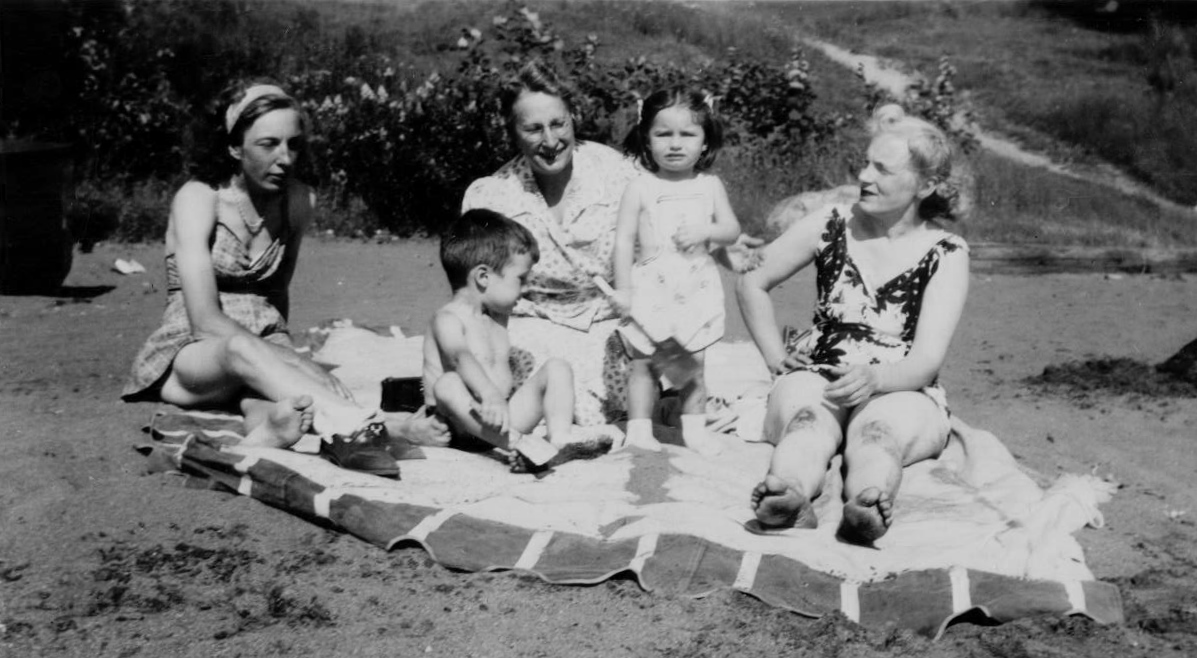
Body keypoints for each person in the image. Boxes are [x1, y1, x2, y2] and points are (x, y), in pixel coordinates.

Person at [122, 80, 445, 475]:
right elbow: (205, 321)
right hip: (195, 351)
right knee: (248, 355)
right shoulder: (199, 197)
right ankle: (363, 423)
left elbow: (276, 294)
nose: (285, 158)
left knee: (285, 405)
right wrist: (292, 361)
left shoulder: (297, 200)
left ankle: (267, 434)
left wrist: (285, 355)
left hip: (262, 343)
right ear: (234, 147)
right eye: (268, 144)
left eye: (293, 145)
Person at [736, 104, 973, 545]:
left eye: (882, 169)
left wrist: (875, 378)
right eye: (865, 163)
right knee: (806, 422)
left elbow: (925, 360)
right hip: (819, 372)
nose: (865, 176)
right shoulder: (831, 223)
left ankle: (868, 504)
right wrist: (775, 355)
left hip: (902, 385)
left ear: (927, 185)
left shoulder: (946, 252)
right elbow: (752, 278)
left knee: (877, 436)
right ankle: (787, 495)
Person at [460, 60, 639, 428]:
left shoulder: (616, 172)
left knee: (621, 386)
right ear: (512, 132)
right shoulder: (493, 195)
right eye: (533, 129)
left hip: (606, 320)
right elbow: (478, 297)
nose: (551, 140)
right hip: (532, 323)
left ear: (573, 117)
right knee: (543, 387)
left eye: (558, 123)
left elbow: (650, 256)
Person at [610, 87, 741, 455]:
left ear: (705, 141)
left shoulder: (710, 186)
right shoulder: (640, 187)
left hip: (694, 285)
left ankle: (694, 430)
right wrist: (623, 290)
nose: (675, 144)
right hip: (651, 286)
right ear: (647, 140)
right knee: (644, 364)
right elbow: (623, 241)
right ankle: (639, 429)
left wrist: (707, 231)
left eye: (688, 134)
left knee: (693, 364)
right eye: (663, 134)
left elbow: (731, 229)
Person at [422, 209, 574, 468]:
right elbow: (460, 357)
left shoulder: (496, 316)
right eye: (521, 280)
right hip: (460, 426)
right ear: (483, 277)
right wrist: (489, 395)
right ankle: (522, 445)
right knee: (447, 384)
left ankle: (559, 442)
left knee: (558, 367)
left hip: (501, 422)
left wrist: (497, 402)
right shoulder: (447, 318)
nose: (526, 290)